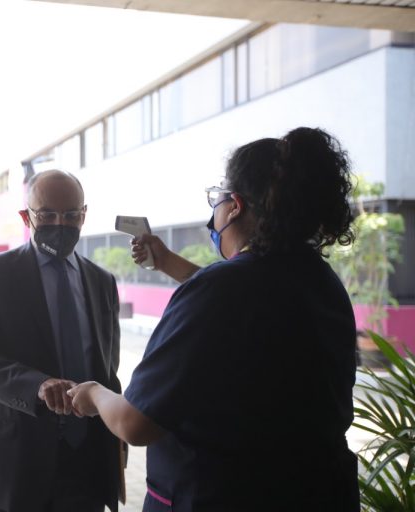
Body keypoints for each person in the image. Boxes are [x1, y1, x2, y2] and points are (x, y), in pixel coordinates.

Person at [68, 127, 360, 511]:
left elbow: (135, 423)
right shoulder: (321, 282)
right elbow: (246, 311)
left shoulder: (223, 290)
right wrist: (167, 261)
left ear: (235, 206)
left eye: (217, 196)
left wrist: (92, 393)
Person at [0, 169, 124, 512]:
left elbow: (108, 369)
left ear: (84, 216)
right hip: (17, 461)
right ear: (26, 217)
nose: (60, 223)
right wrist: (37, 385)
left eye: (70, 215)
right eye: (47, 214)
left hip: (88, 462)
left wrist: (118, 441)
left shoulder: (102, 281)